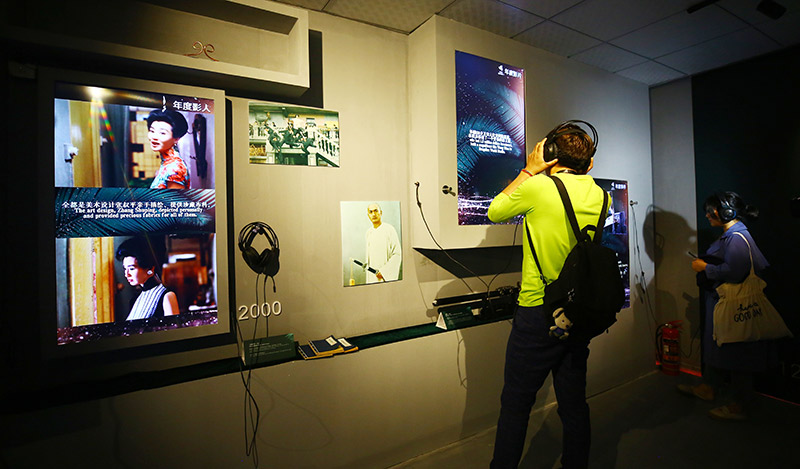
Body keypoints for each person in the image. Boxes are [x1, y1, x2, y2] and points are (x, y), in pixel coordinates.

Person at [487, 124, 605, 469]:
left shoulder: (538, 187)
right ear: (590, 163)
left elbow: (495, 210)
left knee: (516, 402)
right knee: (573, 402)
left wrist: (529, 169)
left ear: (550, 154)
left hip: (538, 311)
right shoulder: (601, 195)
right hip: (578, 310)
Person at [679, 192, 775, 420]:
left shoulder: (735, 237)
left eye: (712, 210)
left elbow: (735, 271)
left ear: (726, 211)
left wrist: (705, 268)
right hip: (722, 302)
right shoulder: (732, 235)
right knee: (721, 346)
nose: (708, 214)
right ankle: (709, 387)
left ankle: (739, 405)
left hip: (732, 304)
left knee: (737, 351)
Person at [116, 237, 179, 320]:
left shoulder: (166, 296)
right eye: (125, 269)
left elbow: (174, 330)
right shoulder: (135, 299)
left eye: (131, 269)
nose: (127, 274)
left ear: (150, 269)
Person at [147, 108, 190, 189]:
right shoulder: (168, 162)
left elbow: (175, 201)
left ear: (176, 138)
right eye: (152, 131)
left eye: (162, 133)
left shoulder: (174, 169)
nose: (154, 137)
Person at [365, 203, 402, 283]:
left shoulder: (389, 230)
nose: (373, 214)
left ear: (380, 213)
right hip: (372, 276)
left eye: (376, 211)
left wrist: (384, 272)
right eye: (371, 212)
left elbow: (397, 254)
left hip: (385, 277)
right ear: (368, 215)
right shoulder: (369, 233)